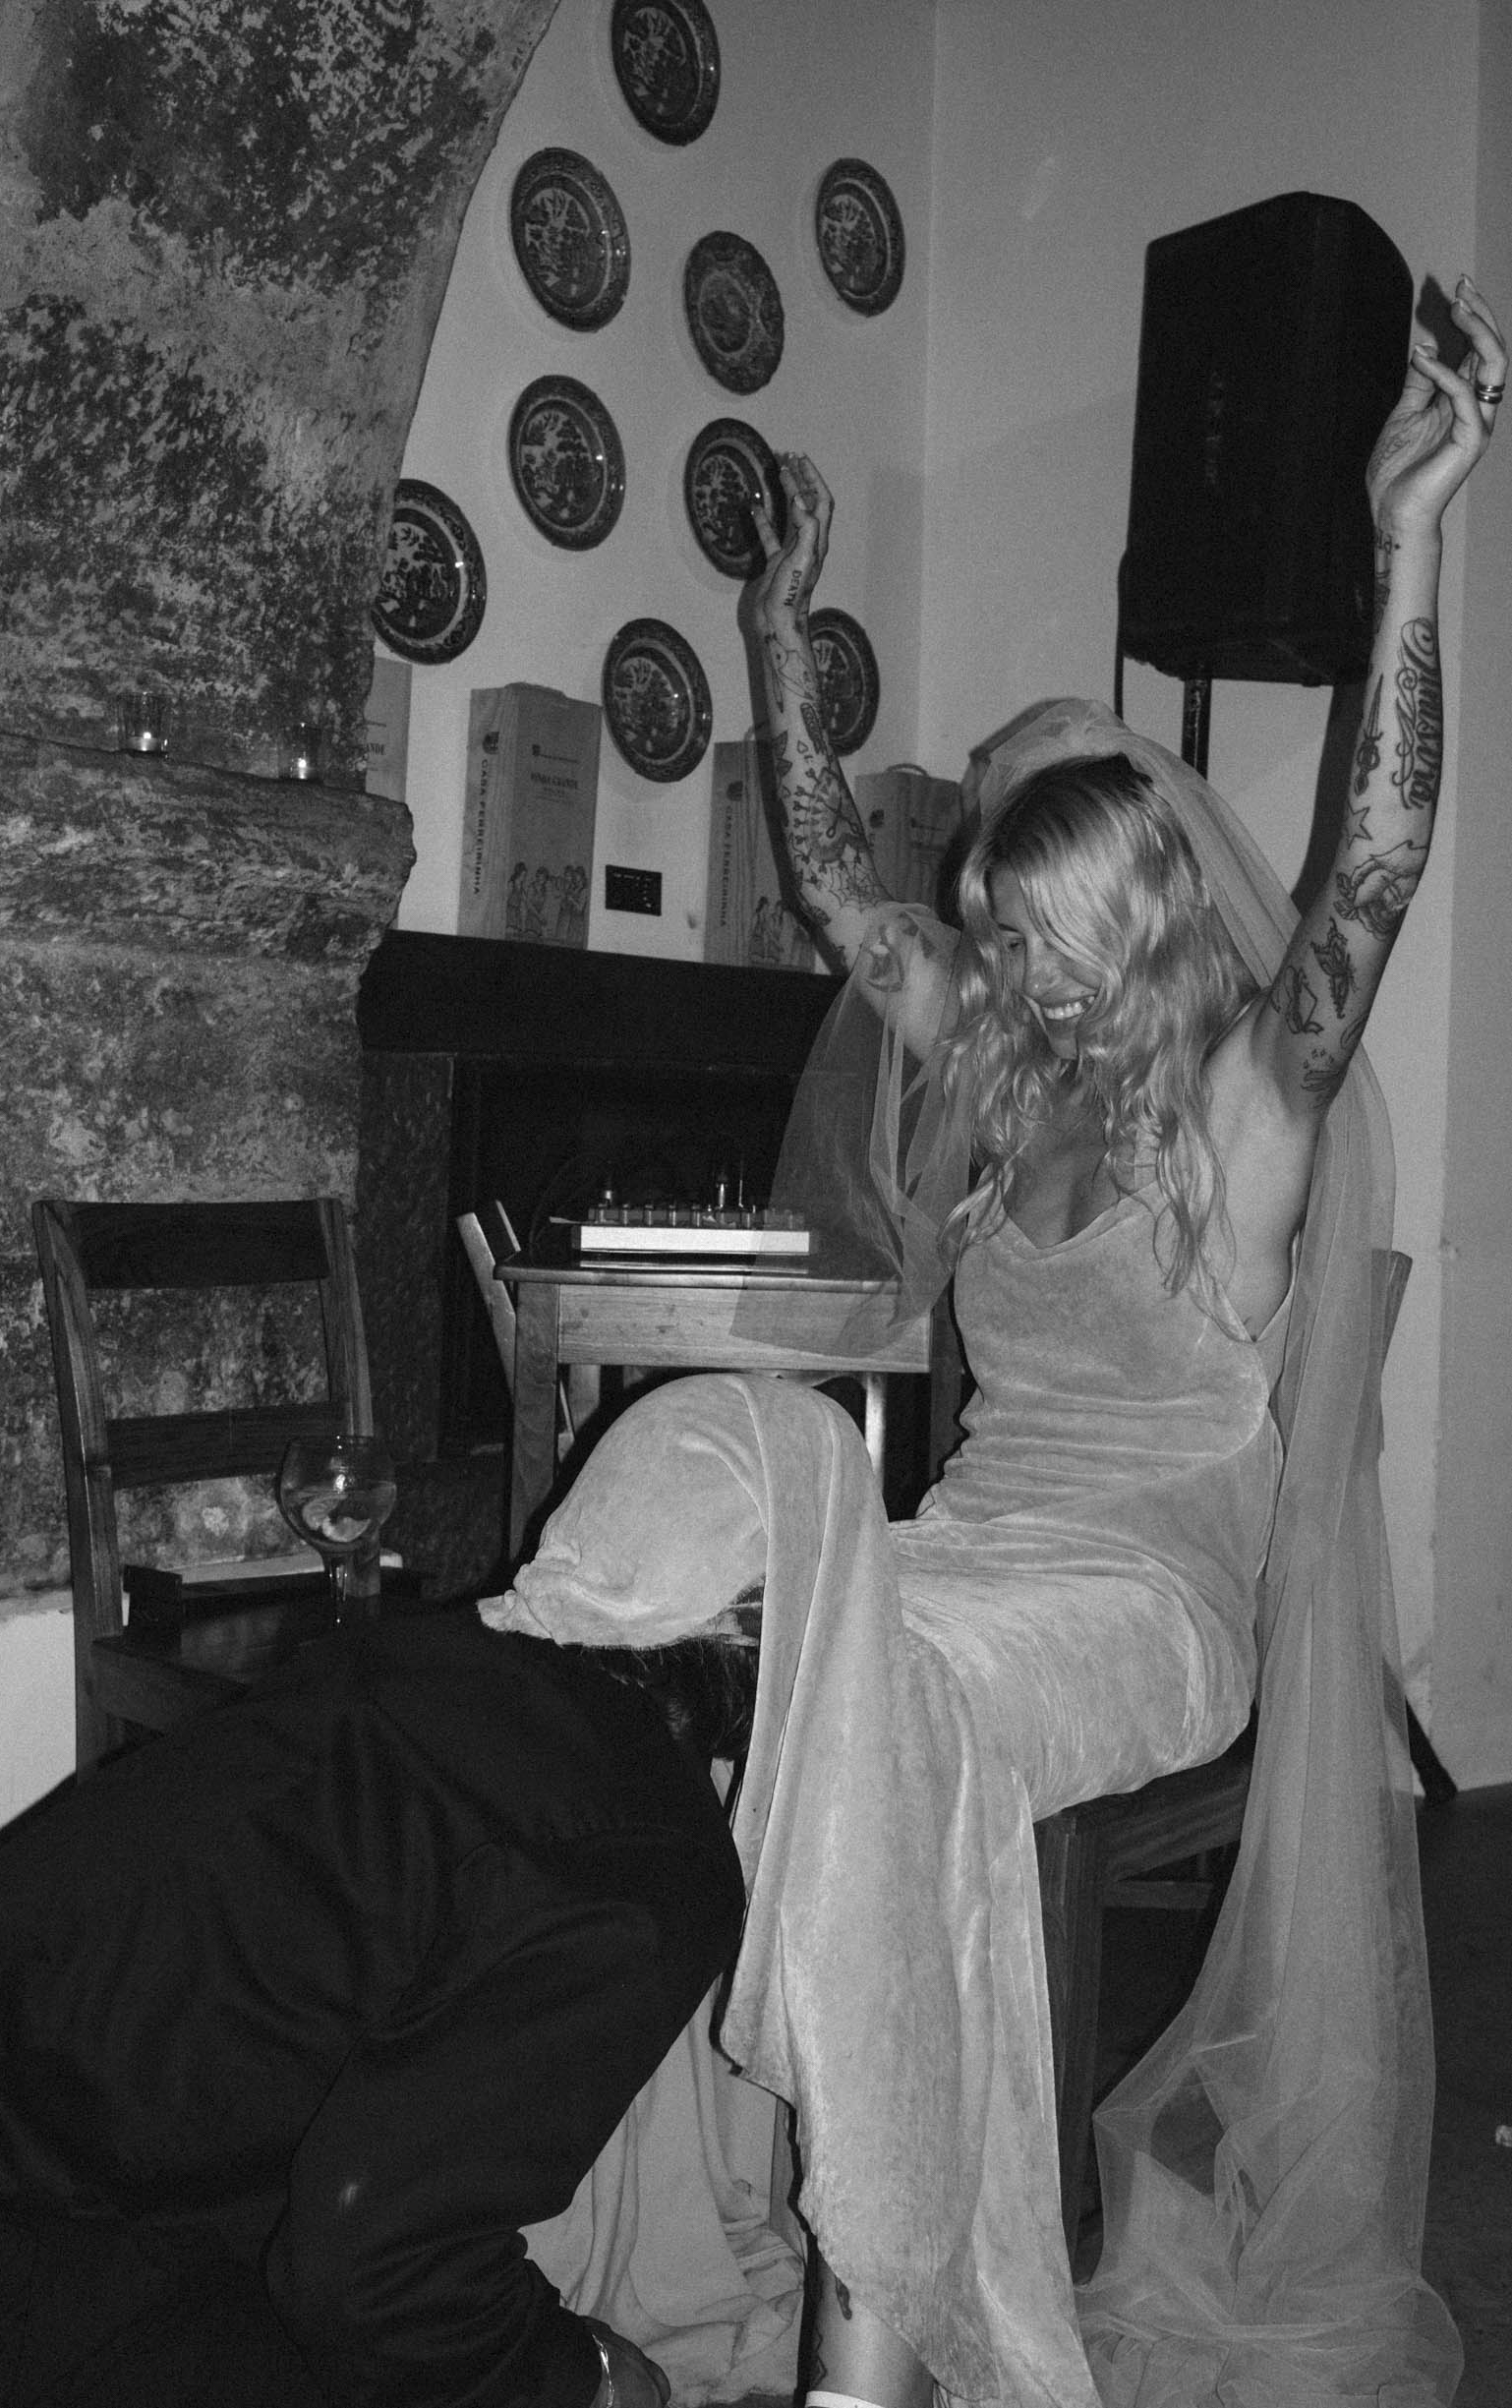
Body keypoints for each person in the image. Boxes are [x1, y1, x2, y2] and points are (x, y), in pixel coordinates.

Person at [490, 279, 1503, 2408]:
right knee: (720, 1660)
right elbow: (827, 876)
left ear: (1132, 916)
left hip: (1145, 1597)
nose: (998, 976)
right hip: (965, 1546)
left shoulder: (1246, 1106)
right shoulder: (999, 1060)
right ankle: (687, 2218)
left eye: (1036, 942)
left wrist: (1410, 541)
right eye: (988, 943)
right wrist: (776, 623)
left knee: (888, 1706)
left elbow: (1378, 861)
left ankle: (880, 2330)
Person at [0, 1603, 759, 2408]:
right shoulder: (657, 1854)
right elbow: (378, 2277)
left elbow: (270, 2043)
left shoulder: (435, 1647)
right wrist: (583, 2378)